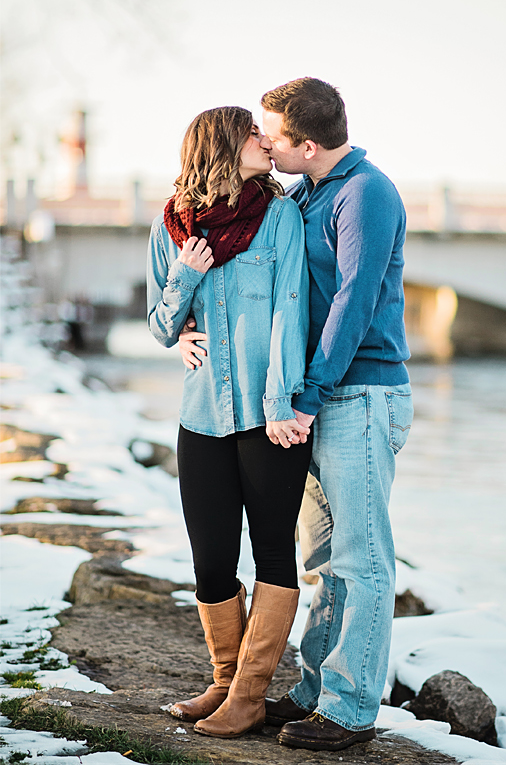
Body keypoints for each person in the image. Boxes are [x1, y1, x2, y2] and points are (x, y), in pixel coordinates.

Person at [178, 77, 412, 752]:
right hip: (311, 397)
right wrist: (189, 325)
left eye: (273, 136)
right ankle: (314, 690)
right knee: (321, 557)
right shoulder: (303, 196)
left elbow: (354, 304)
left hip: (357, 395)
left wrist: (304, 396)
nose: (265, 143)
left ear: (307, 144)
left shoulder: (366, 194)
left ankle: (350, 710)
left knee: (362, 559)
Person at [148, 105, 310, 737]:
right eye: (252, 133)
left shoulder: (279, 219)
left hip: (269, 415)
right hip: (202, 415)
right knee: (212, 560)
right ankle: (222, 680)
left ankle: (249, 696)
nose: (265, 141)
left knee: (272, 550)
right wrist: (186, 275)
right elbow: (162, 328)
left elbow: (287, 317)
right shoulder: (170, 227)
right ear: (222, 145)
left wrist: (279, 406)